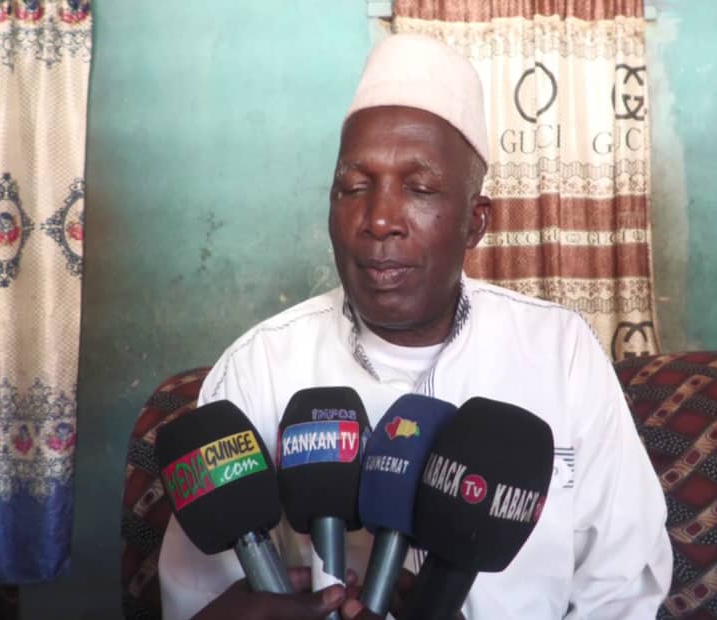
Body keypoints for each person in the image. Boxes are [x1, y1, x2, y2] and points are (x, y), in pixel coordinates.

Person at [158, 33, 672, 620]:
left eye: (420, 189)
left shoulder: (561, 352)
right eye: (354, 187)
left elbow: (622, 585)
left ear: (475, 223)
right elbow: (200, 596)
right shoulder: (259, 369)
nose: (379, 220)